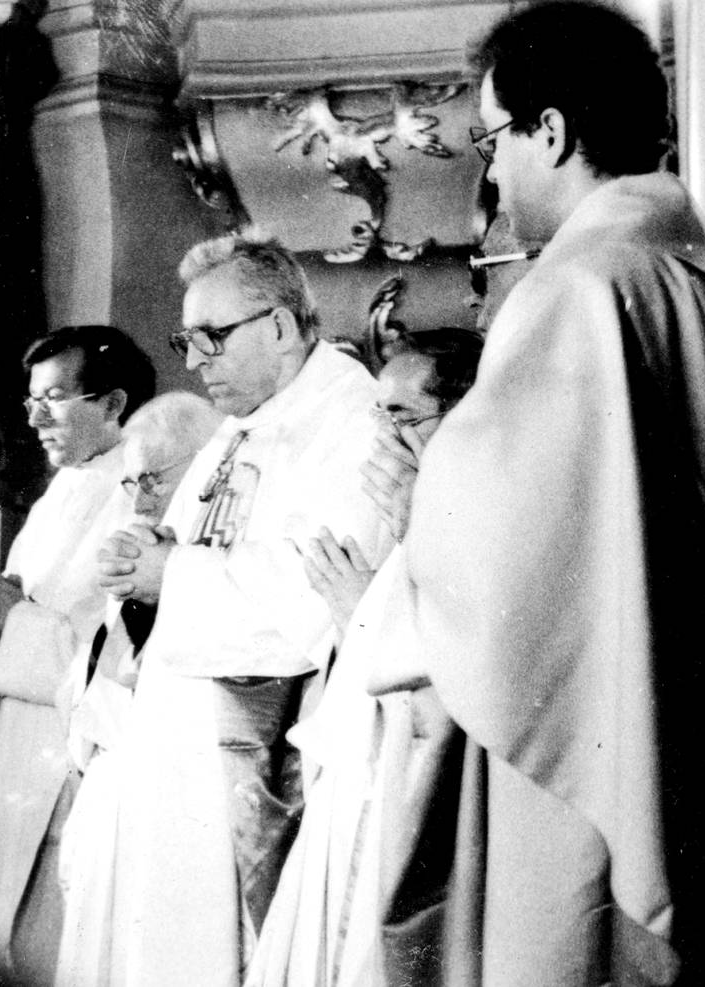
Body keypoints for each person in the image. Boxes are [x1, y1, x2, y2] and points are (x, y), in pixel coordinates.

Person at [358, 3, 705, 983]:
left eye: (493, 142)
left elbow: (510, 582)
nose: (492, 176)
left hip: (610, 779)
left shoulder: (580, 291)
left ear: (550, 131)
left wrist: (421, 519)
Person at [85, 229, 392, 986]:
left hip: (256, 762)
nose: (194, 362)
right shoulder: (241, 427)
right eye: (185, 341)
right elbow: (191, 558)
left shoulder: (353, 422)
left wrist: (172, 574)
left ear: (280, 327)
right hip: (183, 756)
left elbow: (317, 595)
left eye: (211, 338)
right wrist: (148, 564)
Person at [245, 327, 483, 987]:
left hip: (408, 804)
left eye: (402, 416)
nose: (381, 436)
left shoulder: (475, 518)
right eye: (377, 414)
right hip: (356, 792)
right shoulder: (413, 510)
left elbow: (453, 679)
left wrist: (363, 614)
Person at [0, 325, 155, 983]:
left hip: (78, 767)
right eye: (32, 400)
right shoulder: (62, 492)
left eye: (53, 398)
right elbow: (17, 620)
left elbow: (122, 663)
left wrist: (11, 620)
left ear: (113, 404)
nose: (33, 418)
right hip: (20, 755)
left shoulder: (140, 495)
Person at [51, 391, 225, 987]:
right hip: (111, 802)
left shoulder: (210, 567)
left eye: (154, 479)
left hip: (172, 810)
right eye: (131, 483)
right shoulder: (132, 560)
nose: (141, 499)